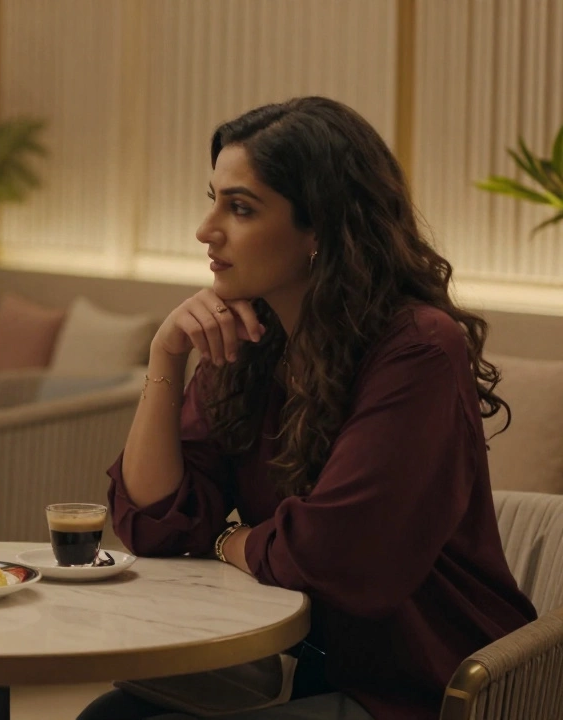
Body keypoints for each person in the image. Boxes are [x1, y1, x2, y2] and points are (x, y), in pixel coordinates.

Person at [80, 97, 536, 720]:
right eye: (211, 198)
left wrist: (228, 540)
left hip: (419, 683)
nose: (206, 229)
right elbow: (157, 523)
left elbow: (334, 558)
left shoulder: (419, 349)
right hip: (305, 663)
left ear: (319, 227)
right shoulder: (250, 341)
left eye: (239, 208)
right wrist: (165, 356)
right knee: (112, 716)